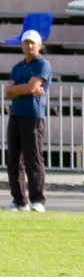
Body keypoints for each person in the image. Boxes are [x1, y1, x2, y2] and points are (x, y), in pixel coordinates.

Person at [5, 29, 50, 212]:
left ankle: (37, 199)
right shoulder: (17, 67)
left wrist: (21, 88)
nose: (29, 46)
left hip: (33, 116)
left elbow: (32, 88)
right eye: (26, 42)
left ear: (39, 45)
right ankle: (19, 200)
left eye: (33, 43)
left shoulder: (43, 65)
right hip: (15, 114)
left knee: (33, 158)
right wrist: (25, 88)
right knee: (13, 159)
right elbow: (8, 91)